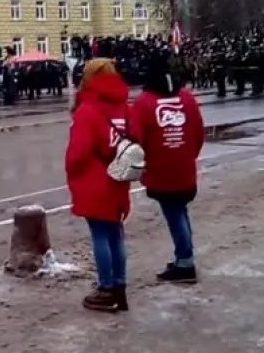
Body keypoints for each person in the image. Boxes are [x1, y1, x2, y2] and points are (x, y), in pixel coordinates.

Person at [131, 52, 205, 283]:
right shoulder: (187, 97)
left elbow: (136, 140)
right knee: (180, 212)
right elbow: (199, 133)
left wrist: (141, 168)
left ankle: (185, 263)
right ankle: (184, 256)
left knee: (175, 215)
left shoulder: (143, 103)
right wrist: (188, 154)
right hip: (184, 166)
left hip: (161, 170)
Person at [65, 58, 131, 313]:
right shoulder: (124, 105)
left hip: (95, 180)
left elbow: (77, 154)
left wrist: (71, 172)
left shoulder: (88, 109)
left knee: (100, 236)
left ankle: (106, 289)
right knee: (116, 235)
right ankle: (120, 287)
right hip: (118, 177)